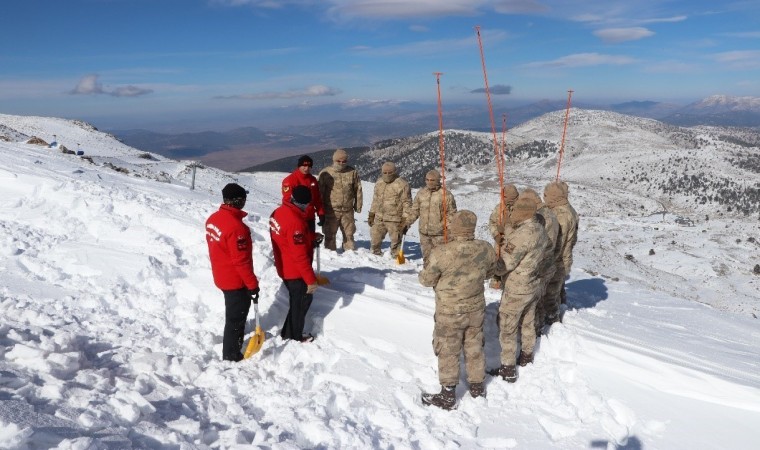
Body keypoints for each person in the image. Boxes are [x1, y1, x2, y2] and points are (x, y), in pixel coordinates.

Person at [419, 210, 498, 410]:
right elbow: (490, 272)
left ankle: (447, 396)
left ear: (454, 227)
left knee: (448, 350)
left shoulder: (441, 252)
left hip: (450, 310)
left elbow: (426, 280)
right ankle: (477, 386)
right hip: (475, 308)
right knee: (474, 345)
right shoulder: (486, 248)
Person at [488, 196, 548, 382]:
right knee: (528, 320)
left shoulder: (523, 235)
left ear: (522, 213)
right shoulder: (539, 229)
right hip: (532, 283)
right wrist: (507, 230)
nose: (512, 214)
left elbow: (505, 264)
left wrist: (491, 266)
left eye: (514, 212)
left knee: (508, 327)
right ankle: (527, 356)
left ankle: (507, 368)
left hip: (517, 287)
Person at [205, 183, 260, 362]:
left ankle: (232, 348)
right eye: (244, 198)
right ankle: (231, 355)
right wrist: (252, 285)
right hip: (235, 281)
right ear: (238, 200)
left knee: (233, 315)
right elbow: (241, 261)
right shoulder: (237, 228)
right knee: (235, 319)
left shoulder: (213, 219)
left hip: (221, 274)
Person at [270, 185, 322, 343]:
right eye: (307, 204)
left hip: (284, 265)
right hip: (294, 270)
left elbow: (288, 237)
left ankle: (288, 332)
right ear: (303, 203)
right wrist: (310, 279)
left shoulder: (279, 212)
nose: (308, 207)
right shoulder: (295, 222)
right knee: (301, 301)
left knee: (297, 301)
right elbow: (299, 255)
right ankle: (293, 337)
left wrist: (310, 237)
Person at [519, 188, 560, 336]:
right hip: (548, 262)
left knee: (535, 301)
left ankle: (536, 330)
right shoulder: (550, 213)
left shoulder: (541, 217)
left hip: (541, 263)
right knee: (541, 297)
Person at [543, 181, 579, 324]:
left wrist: (547, 263)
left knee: (550, 295)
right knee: (557, 290)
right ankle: (560, 306)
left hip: (556, 262)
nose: (544, 197)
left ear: (553, 196)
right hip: (564, 259)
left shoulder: (560, 216)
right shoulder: (567, 209)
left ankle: (553, 323)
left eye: (546, 195)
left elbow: (557, 244)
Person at [405, 170, 457, 267]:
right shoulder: (421, 193)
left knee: (440, 260)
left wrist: (445, 226)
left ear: (438, 181)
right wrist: (407, 223)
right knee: (427, 258)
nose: (429, 182)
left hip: (440, 234)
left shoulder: (446, 195)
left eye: (432, 180)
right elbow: (415, 210)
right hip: (424, 233)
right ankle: (427, 278)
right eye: (427, 180)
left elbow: (452, 214)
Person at [317, 149, 363, 251]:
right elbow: (319, 192)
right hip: (331, 210)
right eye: (339, 161)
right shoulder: (326, 173)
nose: (341, 163)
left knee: (349, 234)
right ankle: (331, 255)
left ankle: (350, 254)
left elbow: (358, 189)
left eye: (344, 161)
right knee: (329, 234)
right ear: (334, 160)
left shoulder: (352, 172)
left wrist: (358, 205)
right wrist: (319, 209)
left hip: (347, 210)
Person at [368, 161, 412, 257]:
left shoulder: (402, 184)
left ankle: (396, 257)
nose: (387, 175)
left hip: (395, 219)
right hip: (379, 217)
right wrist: (372, 213)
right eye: (385, 172)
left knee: (396, 240)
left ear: (395, 172)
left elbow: (407, 203)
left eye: (390, 173)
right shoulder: (379, 182)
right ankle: (375, 255)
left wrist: (405, 220)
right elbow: (375, 199)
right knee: (375, 238)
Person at [487, 184, 519, 289]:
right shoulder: (500, 208)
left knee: (509, 261)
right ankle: (496, 280)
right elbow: (492, 222)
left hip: (514, 242)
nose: (503, 198)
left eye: (505, 197)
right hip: (500, 241)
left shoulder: (520, 209)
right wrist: (496, 234)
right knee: (498, 259)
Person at [282, 155, 324, 233]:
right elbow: (287, 201)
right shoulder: (290, 180)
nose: (306, 168)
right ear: (299, 166)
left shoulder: (312, 180)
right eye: (304, 166)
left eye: (309, 166)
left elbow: (317, 198)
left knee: (310, 242)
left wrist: (321, 213)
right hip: (296, 218)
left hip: (310, 217)